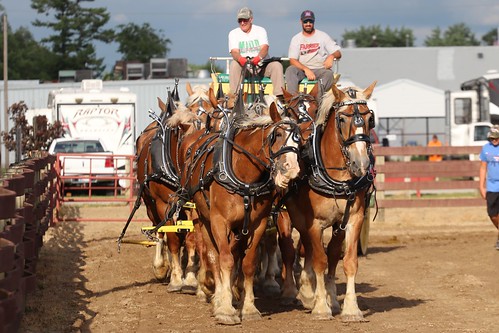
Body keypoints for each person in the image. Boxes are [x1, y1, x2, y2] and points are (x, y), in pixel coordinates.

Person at [228, 7, 285, 99]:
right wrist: (241, 59)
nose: (242, 23)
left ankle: (279, 97)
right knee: (234, 64)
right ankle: (235, 98)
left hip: (261, 64)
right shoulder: (233, 33)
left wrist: (258, 58)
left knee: (277, 65)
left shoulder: (260, 30)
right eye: (240, 20)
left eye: (245, 20)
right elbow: (234, 52)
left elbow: (265, 48)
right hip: (244, 67)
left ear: (251, 19)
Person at [285, 10, 342, 95]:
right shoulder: (296, 39)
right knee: (290, 70)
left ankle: (316, 100)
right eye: (305, 21)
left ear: (314, 21)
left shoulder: (322, 36)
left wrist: (331, 56)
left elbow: (338, 53)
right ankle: (293, 101)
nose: (308, 24)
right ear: (301, 22)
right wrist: (306, 69)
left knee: (329, 74)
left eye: (310, 21)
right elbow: (292, 60)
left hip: (320, 69)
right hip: (302, 70)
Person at [479, 125, 499, 250]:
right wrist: (481, 186)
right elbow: (482, 168)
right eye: (492, 138)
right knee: (492, 214)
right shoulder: (486, 149)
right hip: (492, 187)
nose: (494, 140)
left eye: (496, 138)